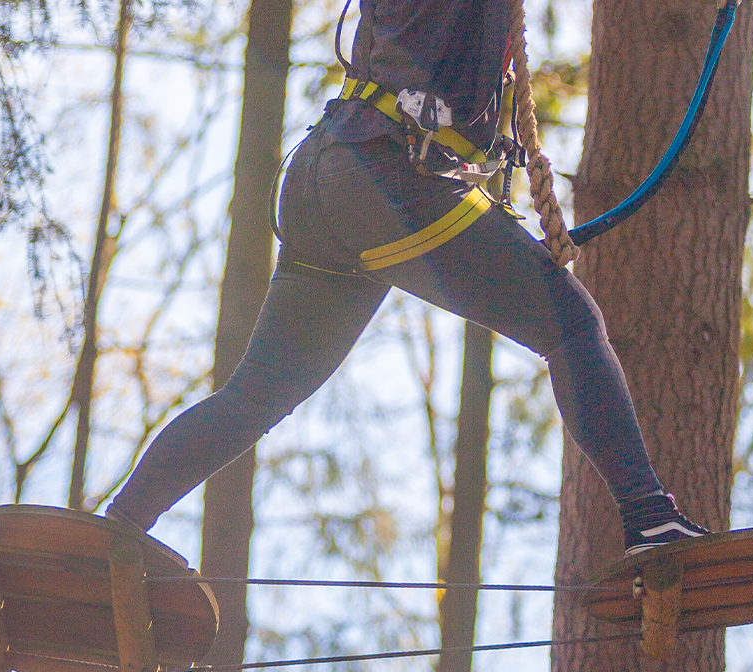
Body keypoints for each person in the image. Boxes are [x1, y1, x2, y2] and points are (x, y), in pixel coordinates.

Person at [105, 0, 712, 556]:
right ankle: (650, 517)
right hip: (389, 176)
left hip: (329, 175)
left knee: (253, 397)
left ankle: (120, 529)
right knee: (573, 328)